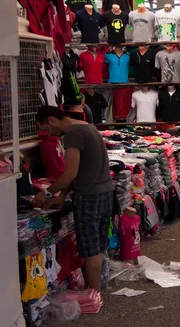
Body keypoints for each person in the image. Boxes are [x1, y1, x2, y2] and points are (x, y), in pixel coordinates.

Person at [32, 106, 113, 292]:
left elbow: (69, 173)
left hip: (89, 196)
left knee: (90, 247)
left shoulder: (72, 134)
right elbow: (78, 170)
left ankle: (94, 293)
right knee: (98, 244)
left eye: (45, 128)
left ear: (52, 120)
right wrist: (62, 196)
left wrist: (47, 193)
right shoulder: (87, 126)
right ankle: (98, 286)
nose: (47, 133)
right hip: (105, 191)